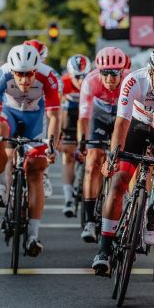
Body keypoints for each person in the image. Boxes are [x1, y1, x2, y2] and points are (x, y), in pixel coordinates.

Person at [92, 44, 154, 275]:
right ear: (151, 72)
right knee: (119, 182)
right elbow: (121, 124)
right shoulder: (134, 81)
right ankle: (104, 250)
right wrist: (114, 156)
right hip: (136, 126)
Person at [0, 44, 60, 257]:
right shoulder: (2, 75)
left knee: (35, 170)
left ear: (37, 70)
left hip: (36, 119)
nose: (25, 80)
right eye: (20, 75)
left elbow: (55, 116)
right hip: (9, 114)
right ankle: (0, 186)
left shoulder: (49, 76)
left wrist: (52, 144)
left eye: (29, 75)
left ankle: (33, 236)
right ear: (12, 70)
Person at [77, 47, 128, 242]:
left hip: (122, 119)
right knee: (92, 164)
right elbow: (84, 117)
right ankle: (90, 221)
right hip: (99, 118)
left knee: (125, 164)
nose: (109, 78)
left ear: (121, 71)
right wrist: (83, 142)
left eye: (114, 73)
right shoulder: (90, 82)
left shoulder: (128, 81)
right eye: (105, 73)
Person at [24, 39, 60, 199]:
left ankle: (44, 174)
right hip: (18, 110)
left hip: (41, 111)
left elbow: (59, 104)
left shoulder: (49, 73)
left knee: (45, 144)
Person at [60, 54, 91, 217]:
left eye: (84, 76)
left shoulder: (93, 81)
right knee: (68, 155)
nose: (81, 81)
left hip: (88, 118)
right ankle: (68, 199)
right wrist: (57, 136)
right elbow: (55, 113)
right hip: (70, 120)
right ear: (70, 75)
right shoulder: (63, 83)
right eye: (77, 77)